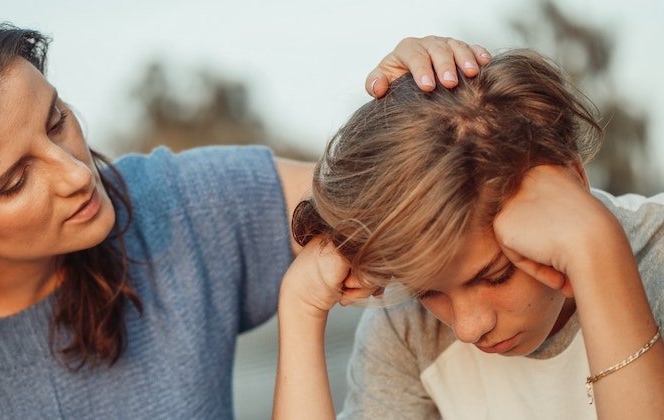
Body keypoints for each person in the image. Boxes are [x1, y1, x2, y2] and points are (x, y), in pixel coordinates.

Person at [0, 14, 491, 419]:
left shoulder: (182, 205)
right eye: (16, 181)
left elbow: (407, 194)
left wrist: (425, 107)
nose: (76, 174)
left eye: (56, 119)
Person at [274, 49, 664, 419]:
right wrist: (300, 308)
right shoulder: (408, 329)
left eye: (496, 275)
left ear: (575, 183)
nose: (467, 327)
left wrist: (596, 248)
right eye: (427, 291)